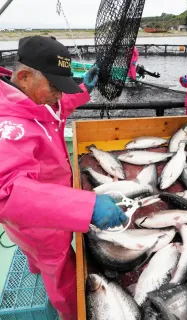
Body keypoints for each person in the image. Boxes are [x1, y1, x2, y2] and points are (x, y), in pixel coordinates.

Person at [0, 36, 127, 320]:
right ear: (24, 76)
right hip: (40, 224)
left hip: (44, 208)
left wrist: (81, 90)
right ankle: (70, 313)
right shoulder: (8, 127)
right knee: (61, 274)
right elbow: (6, 191)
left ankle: (36, 265)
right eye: (56, 87)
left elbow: (55, 111)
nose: (59, 95)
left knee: (33, 252)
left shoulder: (30, 97)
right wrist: (86, 206)